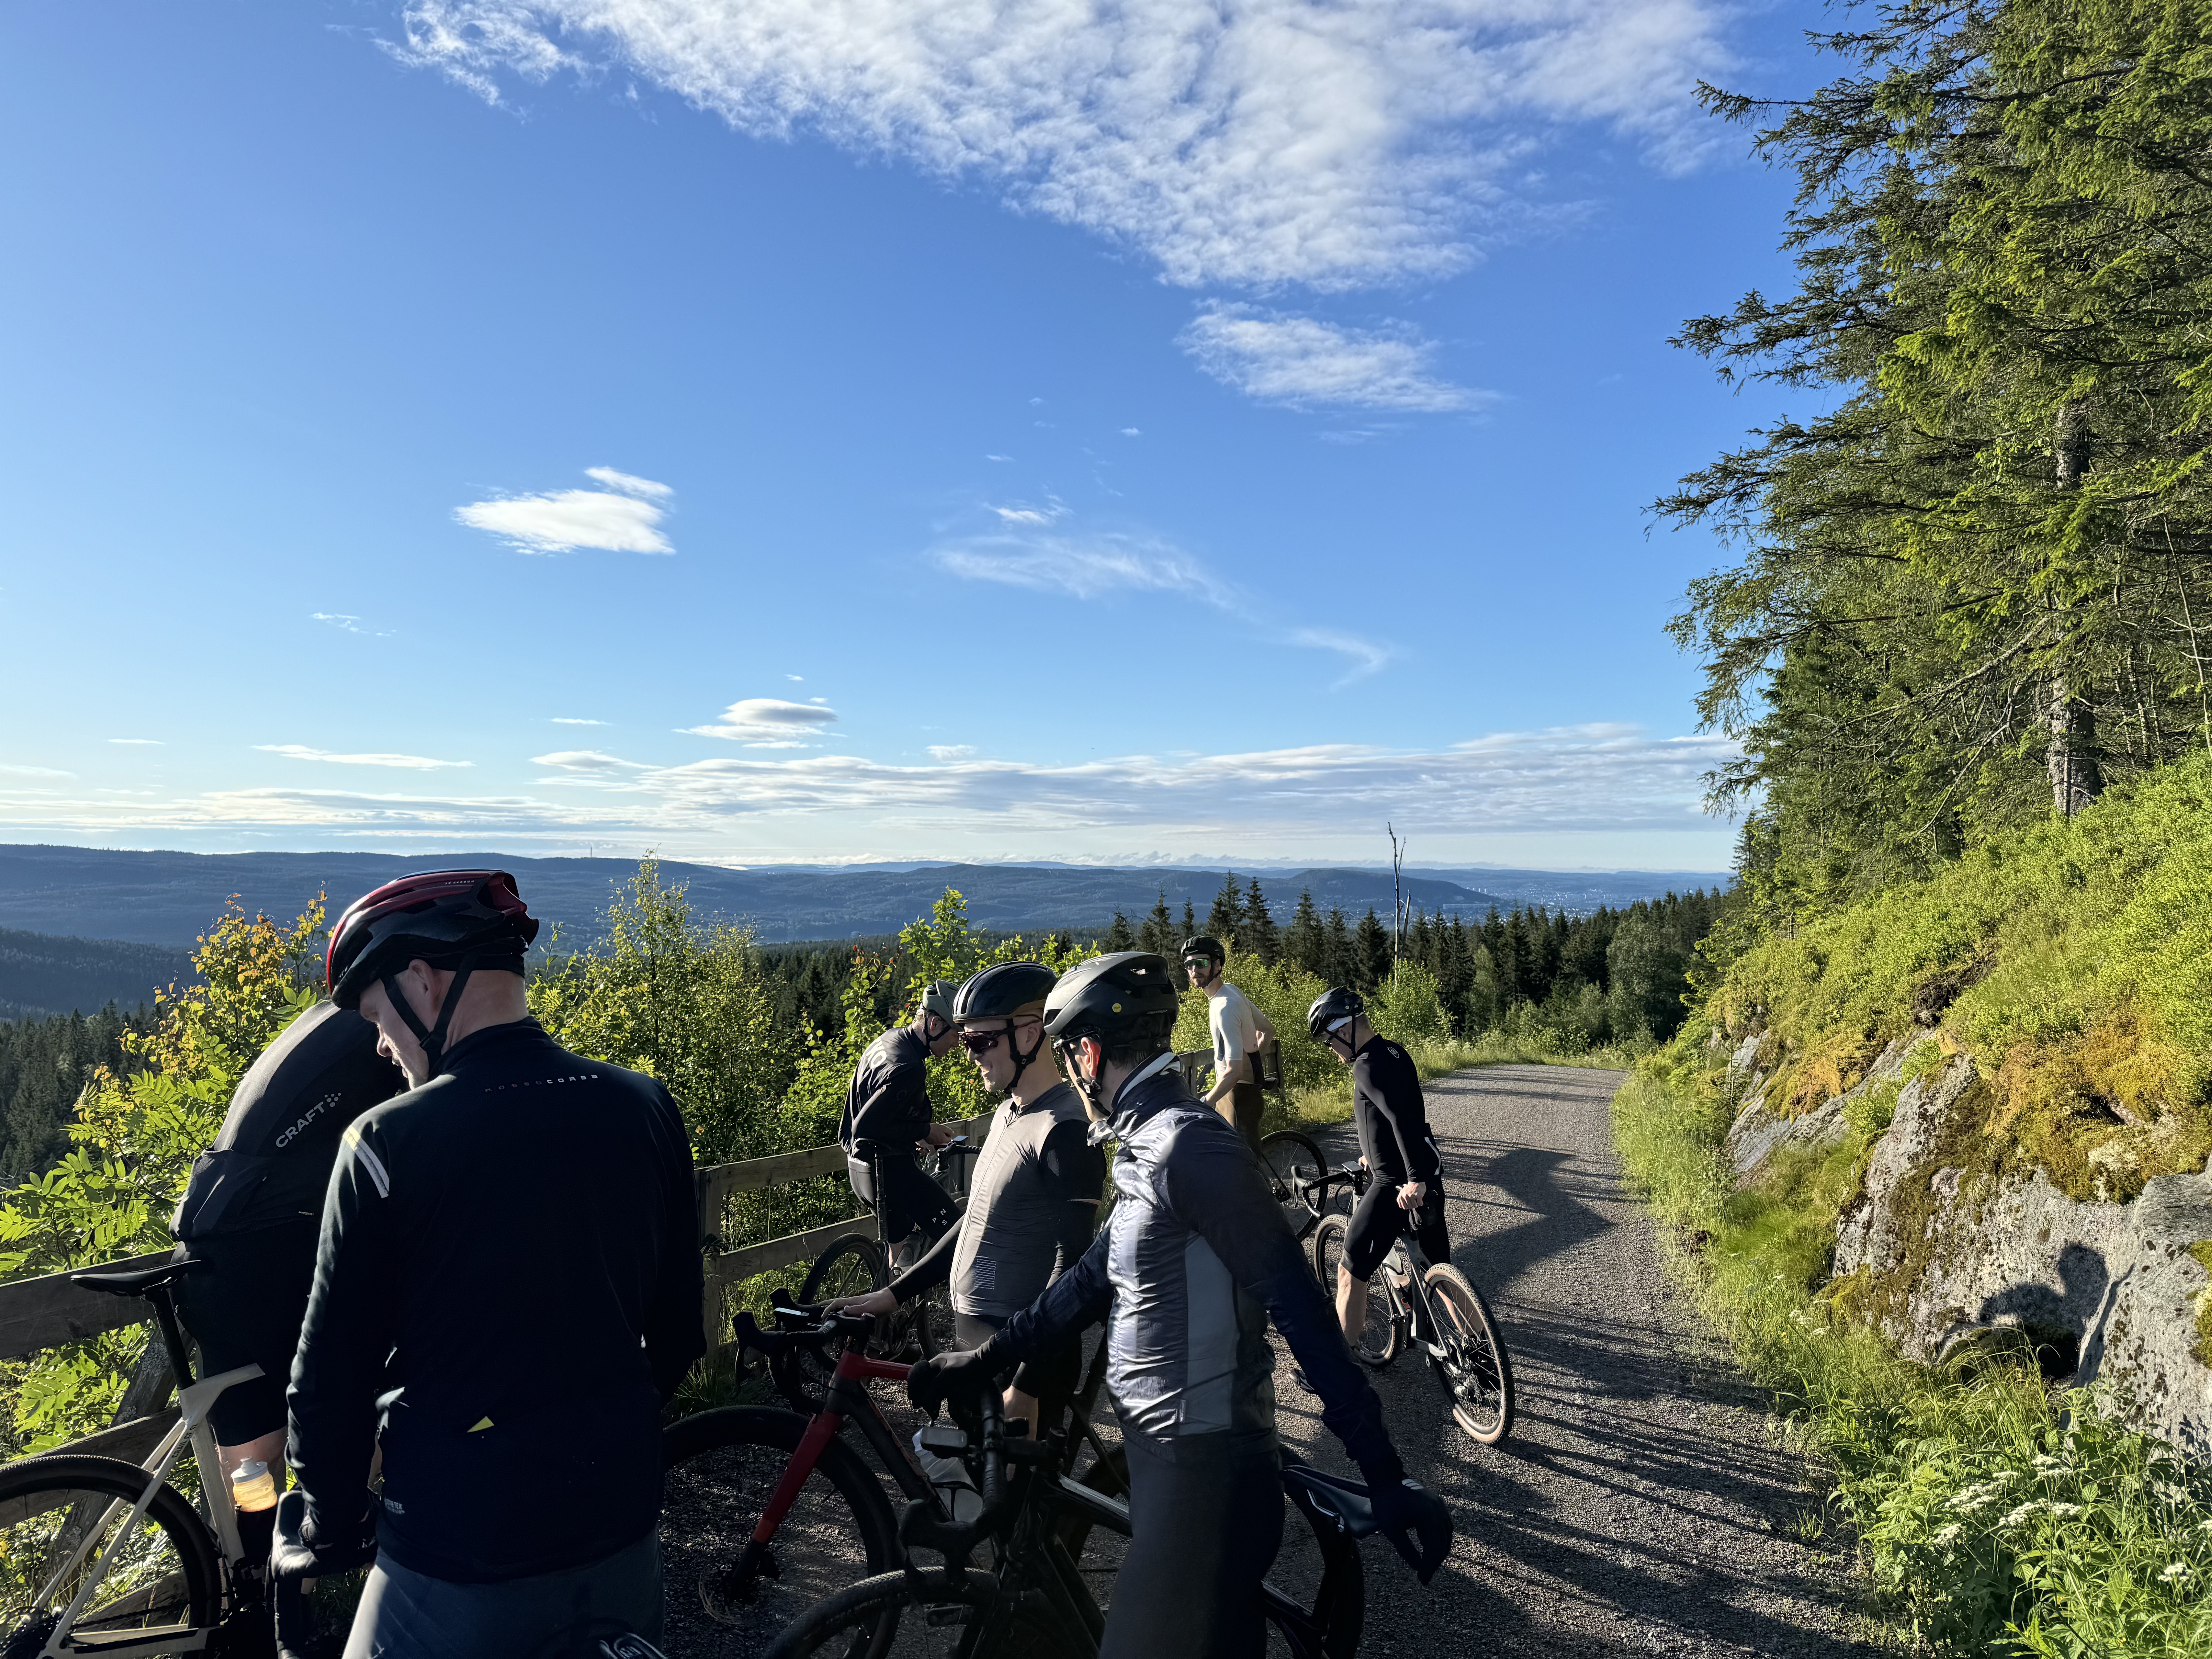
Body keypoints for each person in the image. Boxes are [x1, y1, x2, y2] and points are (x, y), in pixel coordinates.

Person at [908, 953, 1451, 1659]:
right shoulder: (1148, 1139)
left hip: (1204, 1482)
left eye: (1072, 1055)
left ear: (1091, 1051)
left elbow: (1297, 1305)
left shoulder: (1189, 1148)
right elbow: (1084, 1283)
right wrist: (981, 1358)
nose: (1072, 1072)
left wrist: (1382, 1468)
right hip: (1174, 1473)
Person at [287, 869, 704, 1658]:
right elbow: (678, 1330)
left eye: (377, 1017)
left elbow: (328, 1383)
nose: (381, 1045)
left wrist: (330, 1519)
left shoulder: (384, 1144)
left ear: (423, 977)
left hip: (458, 1559)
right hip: (620, 1538)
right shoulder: (645, 1106)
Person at [169, 1001, 405, 1569]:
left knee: (252, 1466)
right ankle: (356, 1560)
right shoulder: (396, 1028)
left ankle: (264, 1605)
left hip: (210, 1246)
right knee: (371, 1402)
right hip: (268, 1250)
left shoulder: (329, 1022)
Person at [827, 961, 1103, 1437]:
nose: (970, 1054)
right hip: (976, 1354)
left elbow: (1074, 1268)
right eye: (965, 1040)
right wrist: (891, 1295)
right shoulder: (1007, 1114)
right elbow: (972, 1224)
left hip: (1020, 1365)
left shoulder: (1066, 1130)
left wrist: (1028, 1386)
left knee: (1018, 1511)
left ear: (1031, 1033)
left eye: (981, 1041)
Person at [1307, 988, 1448, 1355]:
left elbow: (1402, 1120)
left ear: (1344, 1030)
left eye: (1329, 1041)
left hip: (1395, 1186)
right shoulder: (1395, 1052)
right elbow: (1401, 1113)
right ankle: (1480, 1356)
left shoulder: (1365, 1066)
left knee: (1348, 1272)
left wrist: (1412, 1178)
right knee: (1444, 1277)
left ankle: (1339, 1366)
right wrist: (1374, 1153)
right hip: (1427, 1178)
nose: (1332, 1050)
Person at [838, 979, 962, 1269]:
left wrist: (915, 1136)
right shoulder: (909, 1068)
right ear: (934, 1025)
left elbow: (884, 1113)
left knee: (902, 1255)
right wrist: (925, 1131)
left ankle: (894, 1306)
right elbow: (865, 1128)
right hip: (890, 1174)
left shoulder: (890, 1040)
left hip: (860, 1170)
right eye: (955, 1035)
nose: (957, 1044)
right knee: (959, 1240)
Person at [1180, 935, 1276, 1151]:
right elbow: (1268, 1030)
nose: (1195, 970)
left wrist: (1207, 1101)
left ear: (1218, 964)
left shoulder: (1226, 1007)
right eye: (1190, 965)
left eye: (1202, 963)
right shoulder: (1230, 992)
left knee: (1245, 1170)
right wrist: (1254, 1065)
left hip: (1239, 1097)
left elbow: (1234, 1071)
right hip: (1235, 1092)